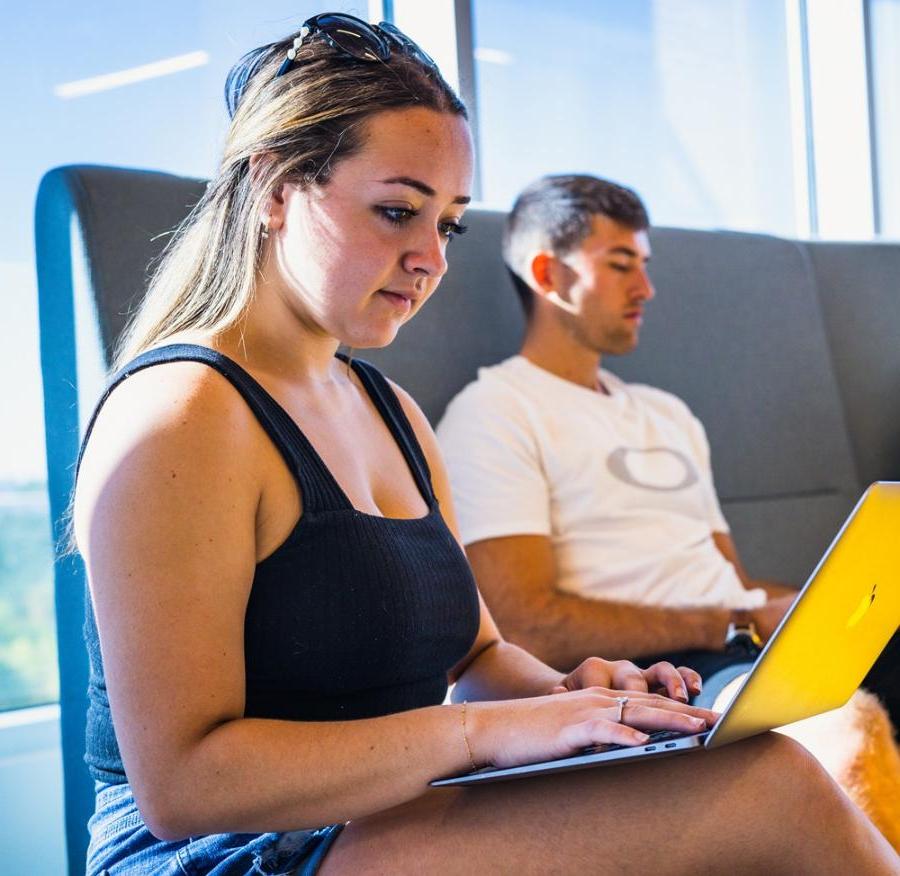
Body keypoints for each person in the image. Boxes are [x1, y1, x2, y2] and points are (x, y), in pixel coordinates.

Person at [72, 14, 899, 875]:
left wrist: (582, 703)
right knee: (775, 789)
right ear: (275, 188)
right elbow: (184, 785)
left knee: (762, 767)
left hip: (386, 815)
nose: (429, 257)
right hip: (221, 851)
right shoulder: (183, 416)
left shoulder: (389, 410)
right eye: (397, 212)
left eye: (449, 225)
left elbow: (477, 656)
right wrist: (486, 733)